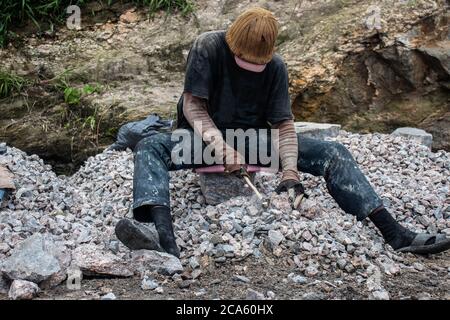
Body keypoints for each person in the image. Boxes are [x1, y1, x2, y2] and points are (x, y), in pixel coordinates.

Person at [115, 7, 450, 258]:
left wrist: (290, 171)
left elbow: (283, 125)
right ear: (232, 43)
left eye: (257, 62)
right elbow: (193, 106)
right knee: (149, 146)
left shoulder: (276, 67)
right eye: (243, 60)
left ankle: (395, 233)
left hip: (253, 144)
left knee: (333, 152)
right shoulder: (208, 47)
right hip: (200, 140)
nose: (251, 65)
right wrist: (220, 147)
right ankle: (162, 236)